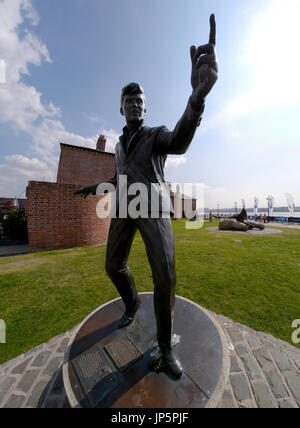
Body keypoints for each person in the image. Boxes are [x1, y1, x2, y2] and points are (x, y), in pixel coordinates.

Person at [75, 15, 218, 379]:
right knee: (113, 266)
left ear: (145, 108)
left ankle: (166, 348)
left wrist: (196, 100)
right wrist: (98, 186)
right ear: (121, 108)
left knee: (165, 278)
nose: (136, 106)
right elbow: (120, 176)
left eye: (140, 101)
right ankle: (132, 304)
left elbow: (180, 141)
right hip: (124, 207)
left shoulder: (156, 135)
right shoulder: (120, 146)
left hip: (152, 205)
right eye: (130, 101)